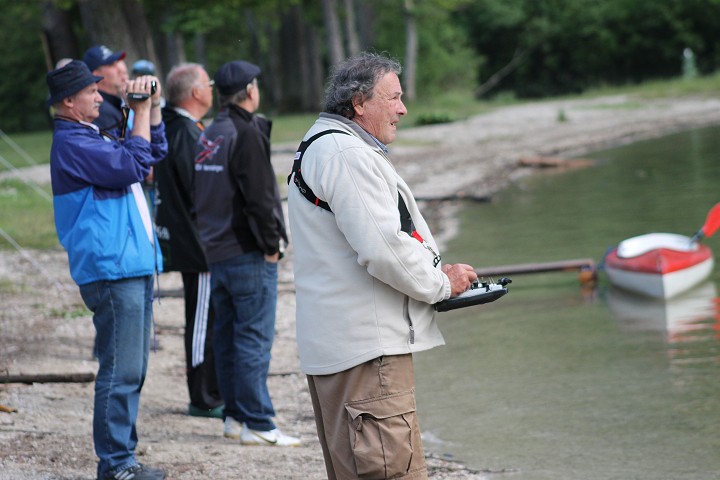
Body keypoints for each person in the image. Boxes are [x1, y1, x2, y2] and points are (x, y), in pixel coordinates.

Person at [287, 52, 478, 479]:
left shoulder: (322, 143)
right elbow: (384, 249)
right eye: (393, 97)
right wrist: (442, 285)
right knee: (392, 471)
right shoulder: (345, 153)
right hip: (367, 355)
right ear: (358, 102)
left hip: (340, 349)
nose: (403, 108)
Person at [46, 60, 168, 480]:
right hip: (112, 269)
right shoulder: (73, 143)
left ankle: (123, 460)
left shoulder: (89, 134)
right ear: (68, 101)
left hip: (127, 264)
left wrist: (149, 108)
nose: (100, 97)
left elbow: (153, 154)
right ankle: (116, 465)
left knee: (132, 368)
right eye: (91, 92)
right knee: (121, 369)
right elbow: (132, 166)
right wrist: (135, 112)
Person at [192, 60, 299, 446]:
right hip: (246, 251)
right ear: (251, 90)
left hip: (217, 251)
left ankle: (234, 417)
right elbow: (257, 197)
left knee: (227, 338)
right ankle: (258, 422)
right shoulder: (244, 132)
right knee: (253, 338)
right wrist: (271, 246)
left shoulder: (211, 132)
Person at [154, 63, 224, 419]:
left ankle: (213, 389)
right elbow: (199, 193)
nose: (212, 89)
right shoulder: (183, 132)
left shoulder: (180, 126)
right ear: (196, 92)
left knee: (210, 318)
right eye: (208, 84)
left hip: (201, 242)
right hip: (198, 246)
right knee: (201, 322)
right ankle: (202, 396)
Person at [82, 45, 129, 137]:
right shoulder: (99, 110)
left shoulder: (112, 104)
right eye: (112, 65)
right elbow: (124, 149)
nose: (120, 69)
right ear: (96, 75)